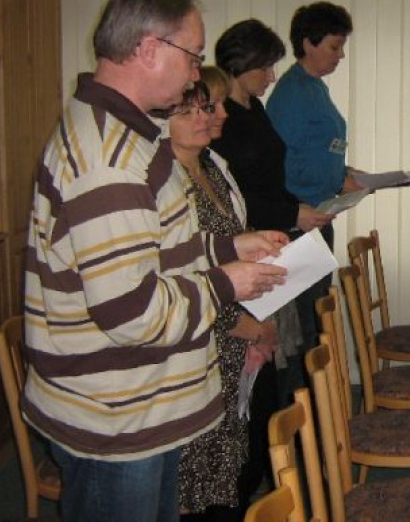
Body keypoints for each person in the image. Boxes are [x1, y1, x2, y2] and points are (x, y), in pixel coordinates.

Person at [21, 0, 288, 522]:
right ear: (148, 49)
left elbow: (153, 247)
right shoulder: (110, 158)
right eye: (192, 55)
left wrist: (226, 246)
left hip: (141, 406)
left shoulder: (133, 134)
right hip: (118, 419)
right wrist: (227, 282)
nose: (195, 73)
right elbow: (132, 312)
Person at [170, 80, 277, 521]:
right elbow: (181, 275)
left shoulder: (210, 168)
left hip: (233, 332)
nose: (205, 118)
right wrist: (248, 327)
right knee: (197, 473)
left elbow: (231, 244)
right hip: (204, 338)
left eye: (206, 108)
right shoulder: (167, 183)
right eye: (190, 111)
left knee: (227, 465)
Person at [266, 1, 364, 357]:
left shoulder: (315, 87)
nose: (340, 56)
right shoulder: (293, 93)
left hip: (319, 216)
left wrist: (344, 174)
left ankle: (316, 391)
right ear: (308, 43)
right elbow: (280, 163)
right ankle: (308, 393)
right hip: (299, 223)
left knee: (317, 317)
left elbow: (317, 150)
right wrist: (334, 182)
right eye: (334, 47)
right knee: (306, 327)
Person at [211, 20, 334, 234]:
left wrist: (298, 207)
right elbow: (231, 195)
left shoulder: (255, 107)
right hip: (248, 233)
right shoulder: (218, 117)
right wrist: (292, 214)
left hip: (275, 227)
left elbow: (271, 180)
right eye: (264, 68)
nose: (272, 76)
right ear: (239, 64)